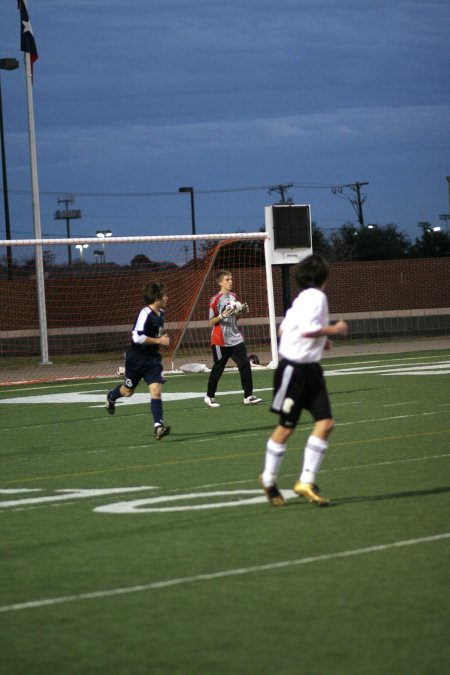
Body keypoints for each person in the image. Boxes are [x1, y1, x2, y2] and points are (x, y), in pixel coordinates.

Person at [259, 254, 348, 506]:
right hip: (294, 371)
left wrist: (322, 341)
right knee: (287, 427)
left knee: (326, 422)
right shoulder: (317, 297)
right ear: (324, 277)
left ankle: (306, 481)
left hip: (311, 370)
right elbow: (307, 330)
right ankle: (268, 478)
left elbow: (284, 330)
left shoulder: (300, 299)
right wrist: (334, 330)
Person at [106, 281, 171, 440]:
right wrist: (159, 341)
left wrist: (160, 339)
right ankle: (111, 396)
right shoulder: (145, 313)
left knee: (156, 390)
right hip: (136, 360)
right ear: (157, 298)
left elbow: (154, 335)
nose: (167, 298)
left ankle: (158, 426)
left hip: (152, 361)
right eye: (164, 296)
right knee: (128, 392)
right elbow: (137, 337)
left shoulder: (161, 314)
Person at [204, 269, 262, 408]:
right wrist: (222, 316)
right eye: (227, 280)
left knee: (245, 364)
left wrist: (241, 312)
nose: (231, 282)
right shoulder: (215, 300)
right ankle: (209, 396)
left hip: (235, 337)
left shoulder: (234, 297)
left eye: (231, 279)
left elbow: (235, 318)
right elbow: (210, 321)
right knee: (218, 368)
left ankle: (248, 396)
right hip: (220, 340)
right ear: (220, 283)